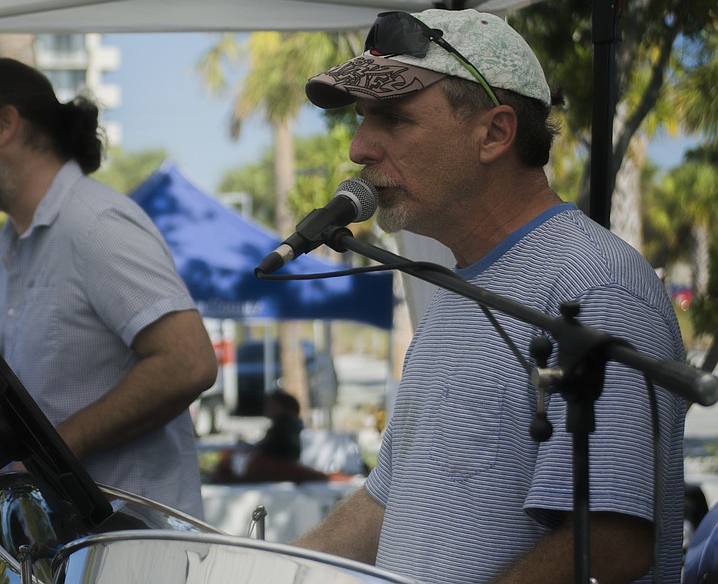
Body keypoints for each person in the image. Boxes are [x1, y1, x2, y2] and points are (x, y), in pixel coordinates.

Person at [293, 8, 686, 584]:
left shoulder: (595, 284)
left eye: (394, 121)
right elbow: (387, 502)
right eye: (361, 120)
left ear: (495, 133)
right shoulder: (459, 288)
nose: (359, 148)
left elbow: (611, 542)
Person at [0, 58, 218, 519]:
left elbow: (188, 363)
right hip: (58, 552)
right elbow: (15, 418)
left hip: (130, 554)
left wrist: (47, 457)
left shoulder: (95, 224)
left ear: (4, 123)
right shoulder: (13, 245)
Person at [211, 390, 329, 484]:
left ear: (281, 406)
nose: (266, 407)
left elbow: (277, 449)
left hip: (279, 465)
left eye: (271, 404)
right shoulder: (282, 424)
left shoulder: (285, 425)